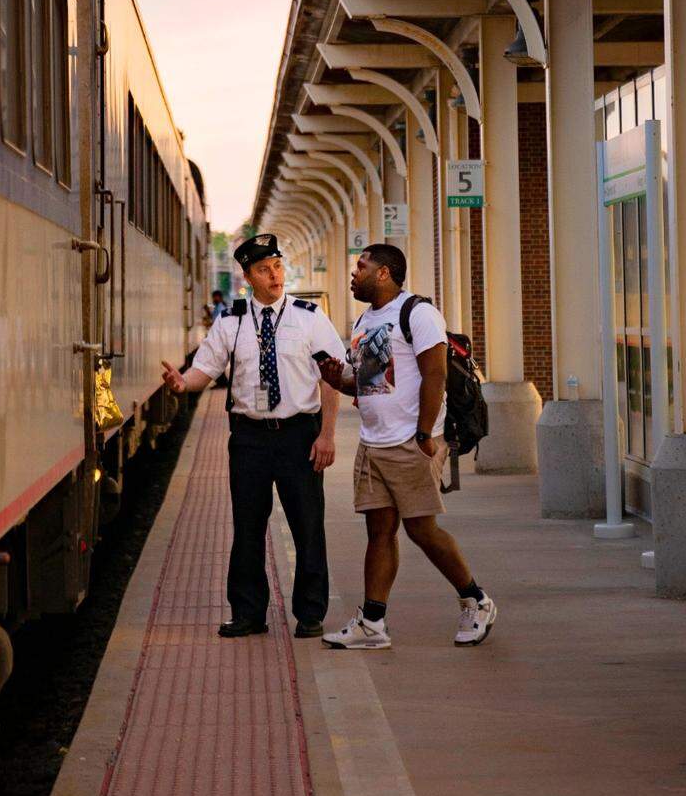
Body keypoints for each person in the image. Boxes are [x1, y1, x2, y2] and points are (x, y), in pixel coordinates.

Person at [161, 233, 347, 639]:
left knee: (307, 524)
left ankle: (310, 613)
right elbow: (204, 372)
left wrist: (327, 436)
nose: (275, 275)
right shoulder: (231, 322)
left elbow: (332, 378)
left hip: (300, 435)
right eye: (264, 269)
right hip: (249, 439)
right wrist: (181, 383)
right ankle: (248, 613)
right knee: (247, 527)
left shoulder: (309, 317)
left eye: (278, 266)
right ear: (247, 276)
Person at [318, 243, 497, 650]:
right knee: (379, 532)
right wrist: (336, 378)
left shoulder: (418, 313)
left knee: (422, 530)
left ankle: (476, 599)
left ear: (384, 273)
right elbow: (368, 383)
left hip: (410, 443)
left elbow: (435, 376)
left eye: (360, 267)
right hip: (373, 444)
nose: (353, 273)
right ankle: (373, 624)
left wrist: (423, 435)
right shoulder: (366, 320)